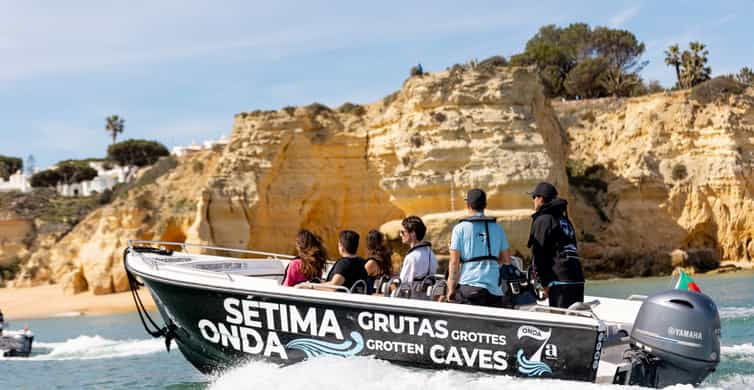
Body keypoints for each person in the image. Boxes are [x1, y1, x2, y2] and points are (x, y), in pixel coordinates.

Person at [446, 188, 512, 306]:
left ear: (468, 205)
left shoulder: (459, 228)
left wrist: (451, 288)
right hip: (494, 290)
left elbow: (454, 262)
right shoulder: (498, 228)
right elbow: (506, 260)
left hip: (469, 287)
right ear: (485, 205)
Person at [527, 182, 585, 308]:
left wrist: (544, 283)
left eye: (534, 197)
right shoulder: (565, 220)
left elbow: (539, 253)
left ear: (540, 198)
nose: (533, 201)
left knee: (561, 318)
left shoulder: (543, 219)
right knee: (575, 319)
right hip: (577, 277)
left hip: (560, 280)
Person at [398, 216, 438, 297]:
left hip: (412, 299)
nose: (400, 235)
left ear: (413, 233)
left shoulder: (412, 257)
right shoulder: (431, 253)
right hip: (427, 298)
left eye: (403, 232)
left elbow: (403, 283)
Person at [365, 230, 393, 294]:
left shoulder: (371, 263)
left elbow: (359, 281)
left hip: (373, 299)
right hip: (383, 297)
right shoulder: (385, 259)